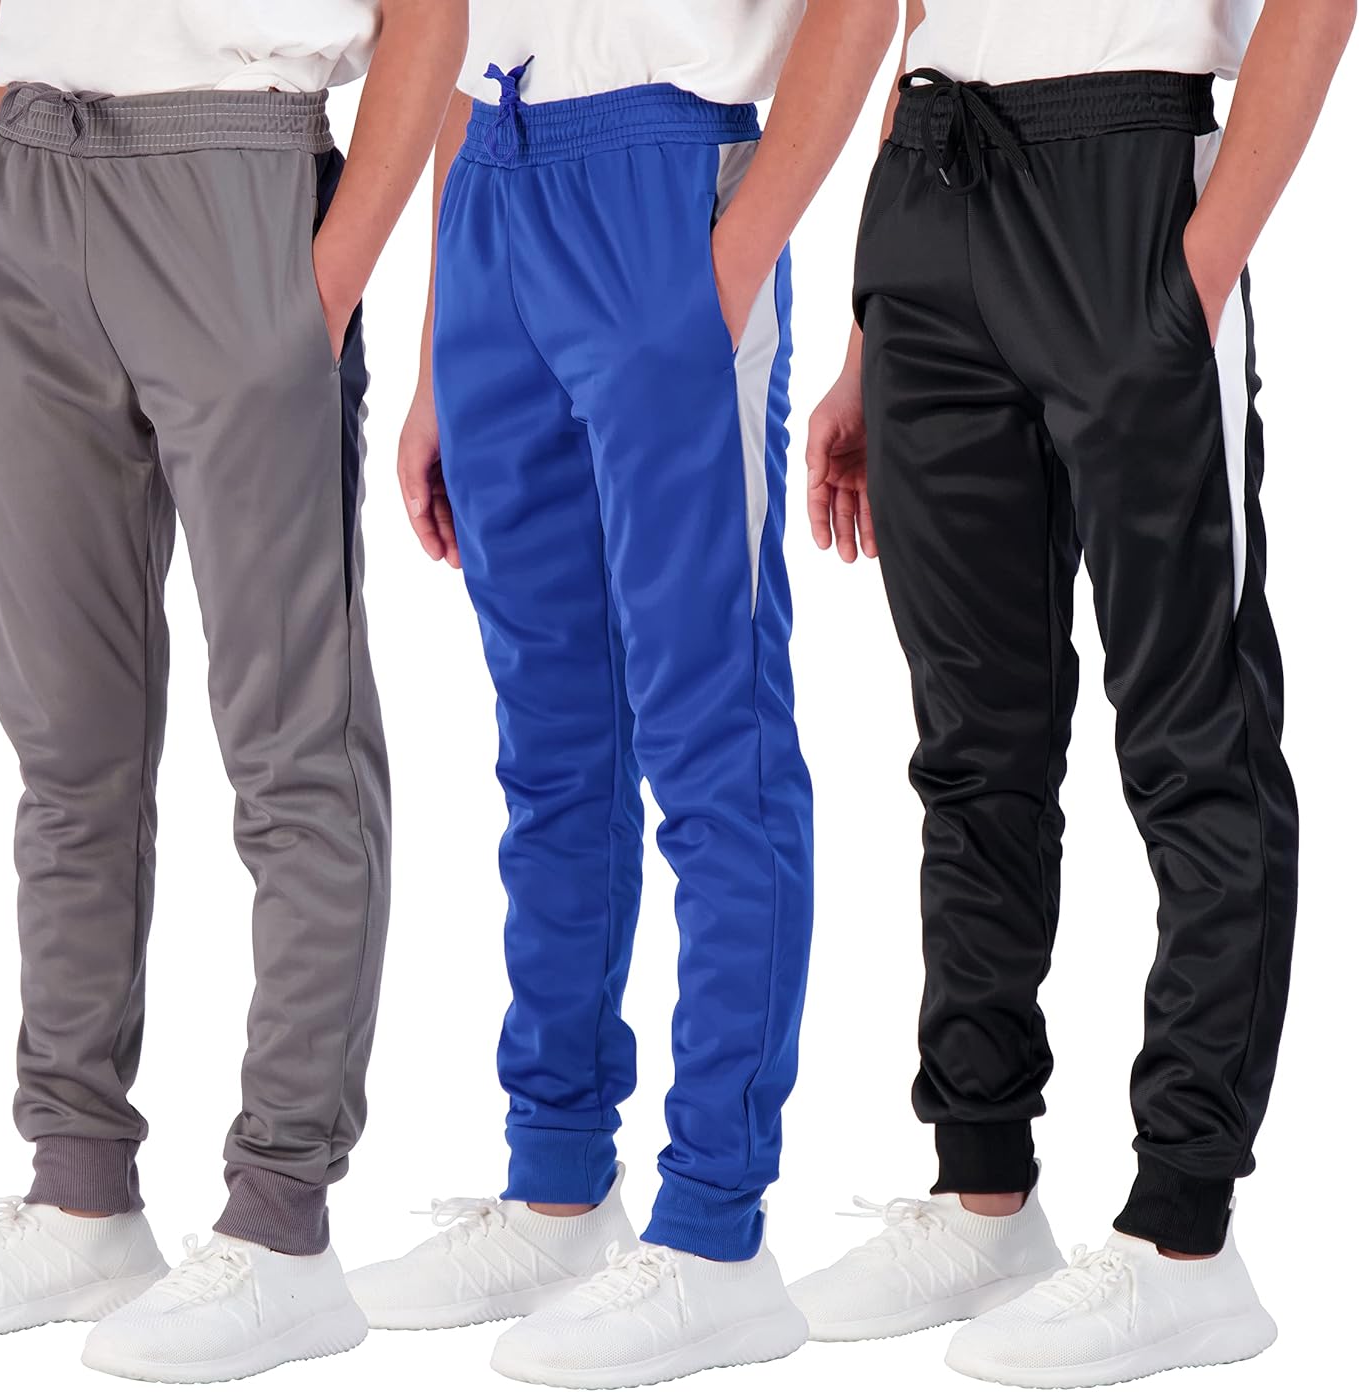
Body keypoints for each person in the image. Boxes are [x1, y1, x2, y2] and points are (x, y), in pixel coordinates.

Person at [0, 1, 466, 1381]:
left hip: (238, 183)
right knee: (65, 748)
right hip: (28, 187)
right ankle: (80, 1191)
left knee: (294, 747)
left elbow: (433, 14)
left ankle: (283, 1225)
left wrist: (321, 295)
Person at [794, 0, 1353, 1385]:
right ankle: (982, 1189)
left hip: (1132, 188)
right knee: (970, 748)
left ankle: (1186, 1238)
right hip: (929, 190)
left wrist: (1201, 271)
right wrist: (868, 336)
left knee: (1195, 739)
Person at [343, 1, 898, 1385]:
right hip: (492, 184)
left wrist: (735, 261)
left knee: (714, 740)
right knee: (550, 754)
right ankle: (559, 1187)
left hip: (670, 180)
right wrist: (439, 347)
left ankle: (716, 1232)